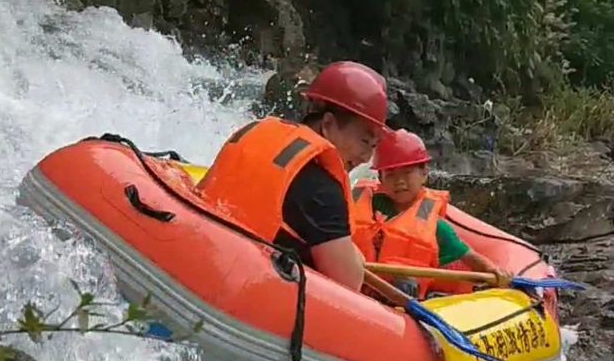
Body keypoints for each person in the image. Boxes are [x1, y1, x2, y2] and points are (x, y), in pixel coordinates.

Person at [196, 61, 388, 290]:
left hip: (200, 251)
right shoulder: (322, 188)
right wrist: (356, 256)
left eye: (373, 146)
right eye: (364, 141)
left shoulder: (257, 131)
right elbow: (349, 282)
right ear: (327, 124)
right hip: (238, 288)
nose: (366, 157)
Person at [352, 128, 511, 297]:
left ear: (424, 174)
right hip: (351, 287)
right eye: (391, 175)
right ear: (380, 178)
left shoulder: (436, 227)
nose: (399, 181)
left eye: (407, 173)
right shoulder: (364, 203)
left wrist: (494, 272)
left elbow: (469, 257)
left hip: (396, 303)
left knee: (405, 285)